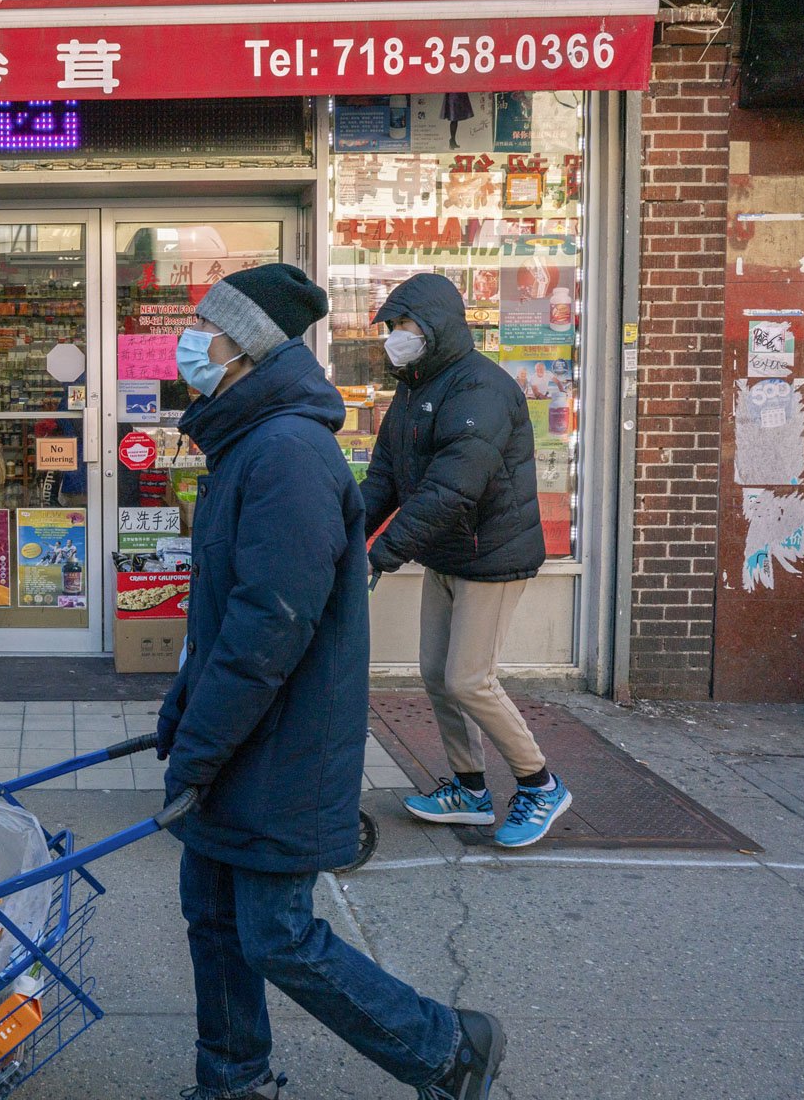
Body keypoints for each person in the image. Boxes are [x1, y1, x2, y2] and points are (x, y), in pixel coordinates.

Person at [155, 264, 505, 1100]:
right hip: (243, 731)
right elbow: (221, 626)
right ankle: (233, 1078)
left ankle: (444, 1048)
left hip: (282, 741)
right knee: (211, 917)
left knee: (274, 934)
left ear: (242, 349)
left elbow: (268, 626)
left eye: (203, 326)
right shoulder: (246, 440)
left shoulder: (285, 454)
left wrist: (199, 748)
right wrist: (182, 717)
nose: (187, 342)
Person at [362, 272, 571, 850]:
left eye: (403, 326)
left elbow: (453, 489)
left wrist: (382, 551)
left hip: (492, 556)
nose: (394, 338)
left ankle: (540, 783)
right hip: (447, 554)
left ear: (435, 327)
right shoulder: (413, 388)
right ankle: (470, 789)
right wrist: (343, 531)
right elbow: (385, 477)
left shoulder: (481, 389)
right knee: (436, 674)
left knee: (469, 679)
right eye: (392, 327)